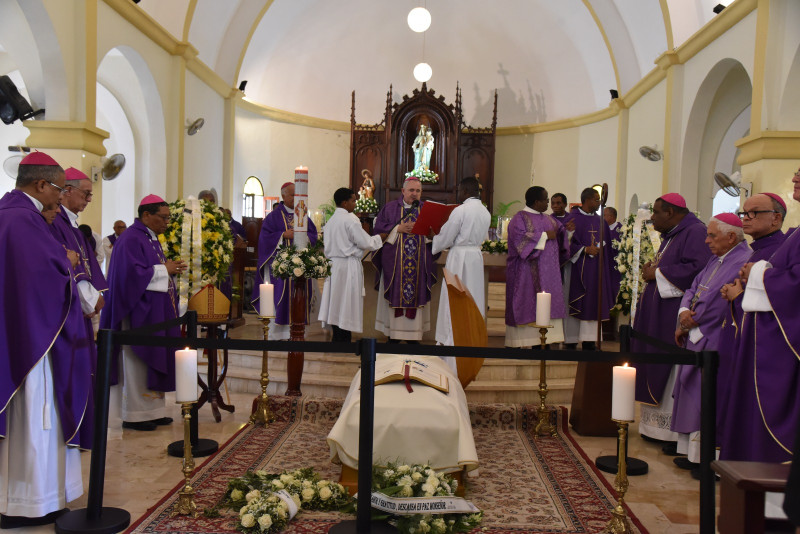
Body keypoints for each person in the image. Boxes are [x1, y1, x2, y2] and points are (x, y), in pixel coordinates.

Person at [0, 151, 95, 528]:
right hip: (33, 340)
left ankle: (33, 498)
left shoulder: (12, 214)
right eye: (58, 188)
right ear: (41, 185)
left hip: (20, 332)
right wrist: (67, 261)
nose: (60, 196)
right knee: (36, 419)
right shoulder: (23, 220)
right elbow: (45, 276)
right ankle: (30, 503)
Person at [718, 168, 800, 465]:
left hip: (775, 349)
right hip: (756, 340)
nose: (794, 176)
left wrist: (758, 275)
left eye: (754, 213)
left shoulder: (785, 240)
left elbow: (794, 283)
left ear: (776, 218)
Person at [669, 213, 750, 474]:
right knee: (691, 392)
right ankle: (691, 454)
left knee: (705, 395)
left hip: (714, 336)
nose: (706, 241)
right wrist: (683, 312)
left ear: (730, 236)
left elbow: (719, 302)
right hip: (696, 330)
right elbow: (693, 287)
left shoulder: (743, 259)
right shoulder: (716, 259)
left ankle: (706, 459)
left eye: (712, 235)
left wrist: (691, 322)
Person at [100, 194, 187, 431]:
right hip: (137, 312)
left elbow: (149, 270)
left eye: (169, 218)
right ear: (146, 215)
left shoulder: (149, 238)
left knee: (155, 357)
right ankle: (135, 415)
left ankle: (154, 411)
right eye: (163, 217)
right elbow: (130, 276)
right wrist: (164, 270)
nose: (167, 223)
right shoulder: (130, 239)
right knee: (137, 360)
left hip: (153, 311)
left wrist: (168, 270)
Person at [631, 193, 710, 447]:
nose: (652, 217)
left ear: (671, 212)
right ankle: (653, 427)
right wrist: (653, 271)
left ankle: (669, 432)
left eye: (656, 212)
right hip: (659, 311)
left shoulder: (695, 232)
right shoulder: (674, 234)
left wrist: (659, 273)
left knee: (668, 366)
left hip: (672, 313)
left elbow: (698, 268)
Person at [372, 176, 437, 342]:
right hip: (395, 266)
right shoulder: (390, 208)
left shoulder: (427, 210)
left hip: (419, 268)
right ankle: (393, 336)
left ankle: (414, 338)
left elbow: (435, 234)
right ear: (403, 191)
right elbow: (378, 229)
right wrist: (398, 228)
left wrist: (431, 235)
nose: (414, 194)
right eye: (411, 190)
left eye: (418, 191)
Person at [505, 186, 569, 347]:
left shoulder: (549, 219)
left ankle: (547, 340)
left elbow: (561, 236)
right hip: (525, 273)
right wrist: (545, 236)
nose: (548, 202)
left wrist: (567, 232)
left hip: (549, 276)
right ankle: (524, 342)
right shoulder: (519, 219)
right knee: (526, 301)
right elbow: (519, 239)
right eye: (546, 199)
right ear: (536, 201)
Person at [432, 177, 491, 353]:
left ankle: (451, 338)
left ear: (465, 191)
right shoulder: (485, 212)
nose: (458, 193)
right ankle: (472, 336)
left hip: (459, 256)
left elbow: (447, 236)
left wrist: (434, 239)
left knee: (454, 295)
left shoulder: (461, 210)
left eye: (459, 190)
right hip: (475, 256)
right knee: (473, 295)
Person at [252, 182, 318, 340]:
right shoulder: (273, 217)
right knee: (279, 296)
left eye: (297, 194)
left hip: (301, 267)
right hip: (280, 267)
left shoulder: (302, 215)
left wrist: (304, 237)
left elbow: (313, 235)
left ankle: (299, 331)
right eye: (292, 195)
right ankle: (278, 334)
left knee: (300, 296)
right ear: (283, 196)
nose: (296, 198)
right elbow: (264, 238)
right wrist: (283, 235)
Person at [318, 188, 385, 342]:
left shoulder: (331, 221)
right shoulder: (350, 219)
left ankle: (338, 338)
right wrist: (379, 238)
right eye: (353, 200)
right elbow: (365, 241)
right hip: (348, 266)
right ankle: (344, 340)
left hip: (333, 266)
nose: (355, 204)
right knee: (346, 303)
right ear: (344, 202)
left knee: (336, 303)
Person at [50, 168, 108, 337]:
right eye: (86, 193)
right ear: (68, 190)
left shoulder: (72, 225)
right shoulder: (56, 222)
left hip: (82, 304)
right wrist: (90, 300)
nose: (89, 199)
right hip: (72, 304)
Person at [561, 187, 615, 351]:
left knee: (594, 301)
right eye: (596, 199)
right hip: (577, 267)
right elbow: (564, 243)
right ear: (586, 200)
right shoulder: (572, 219)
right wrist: (584, 249)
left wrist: (600, 249)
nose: (599, 202)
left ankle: (590, 340)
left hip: (596, 268)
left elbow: (608, 247)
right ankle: (570, 339)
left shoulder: (602, 222)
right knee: (574, 300)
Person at [604, 206, 622, 304]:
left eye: (605, 215)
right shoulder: (602, 229)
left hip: (615, 268)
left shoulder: (621, 230)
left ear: (611, 217)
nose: (602, 218)